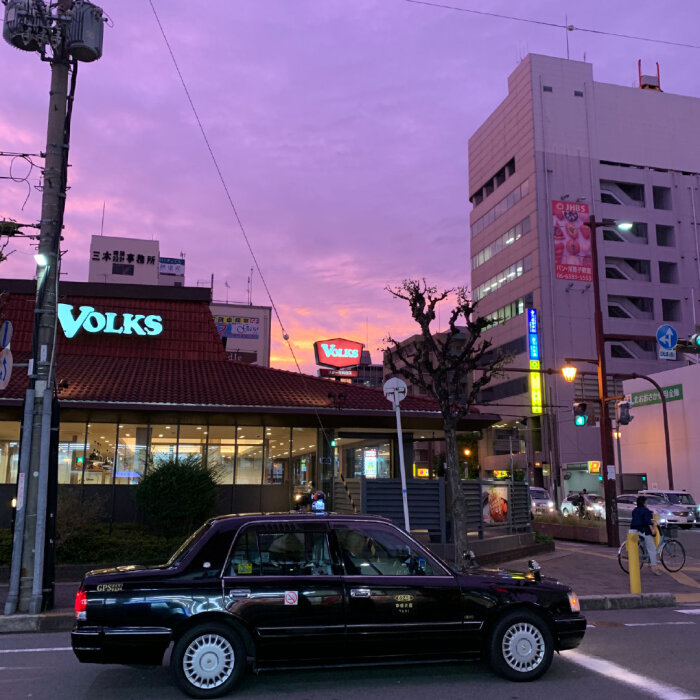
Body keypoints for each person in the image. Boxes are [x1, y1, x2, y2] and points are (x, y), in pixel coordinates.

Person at [630, 495, 661, 575]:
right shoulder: (645, 510)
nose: (647, 503)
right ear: (644, 503)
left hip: (634, 531)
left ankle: (642, 554)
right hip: (643, 530)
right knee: (652, 549)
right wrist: (652, 530)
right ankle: (654, 567)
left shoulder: (635, 510)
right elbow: (648, 522)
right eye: (646, 501)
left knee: (637, 545)